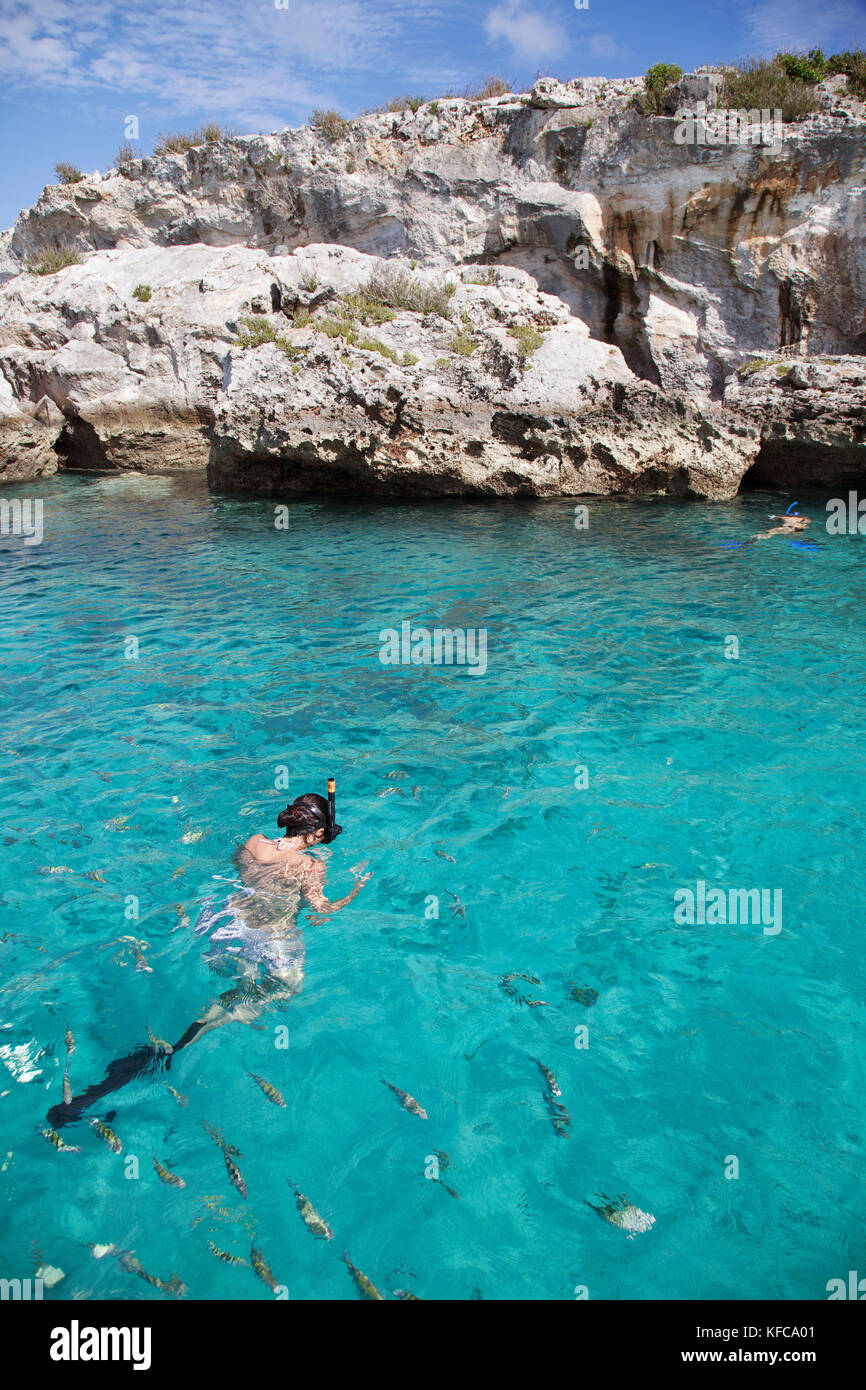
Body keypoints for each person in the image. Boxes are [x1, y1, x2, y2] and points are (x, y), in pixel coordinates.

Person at [47, 785, 369, 1127]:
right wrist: (356, 886)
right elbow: (322, 910)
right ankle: (188, 1038)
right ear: (319, 832)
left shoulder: (253, 841)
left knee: (247, 976)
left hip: (228, 923)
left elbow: (255, 873)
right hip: (271, 935)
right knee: (289, 986)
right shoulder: (309, 867)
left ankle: (236, 991)